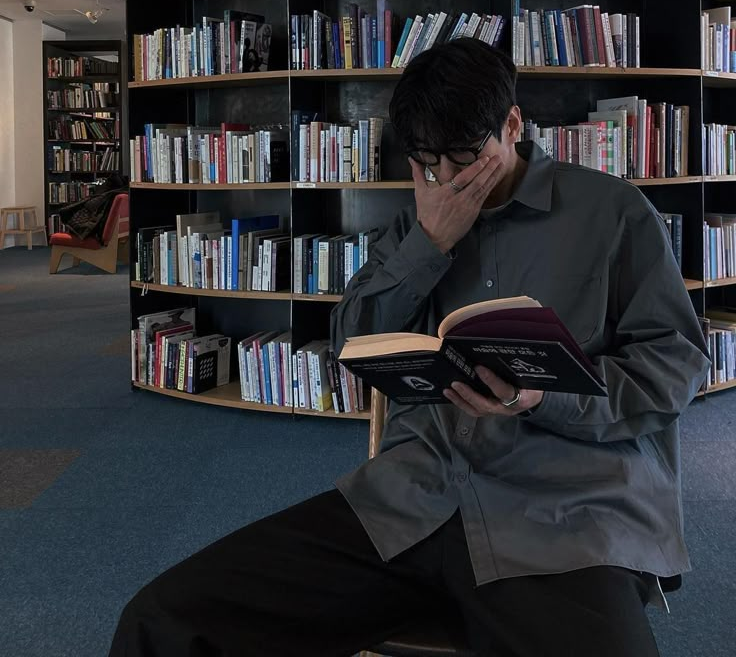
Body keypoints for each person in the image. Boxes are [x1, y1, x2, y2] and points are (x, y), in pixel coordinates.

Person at [109, 40, 709, 657]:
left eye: (465, 158)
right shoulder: (417, 219)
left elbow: (675, 367)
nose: (447, 180)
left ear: (512, 123)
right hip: (412, 500)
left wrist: (543, 397)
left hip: (564, 515)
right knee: (161, 621)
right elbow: (352, 342)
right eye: (427, 162)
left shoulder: (611, 212)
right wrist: (429, 243)